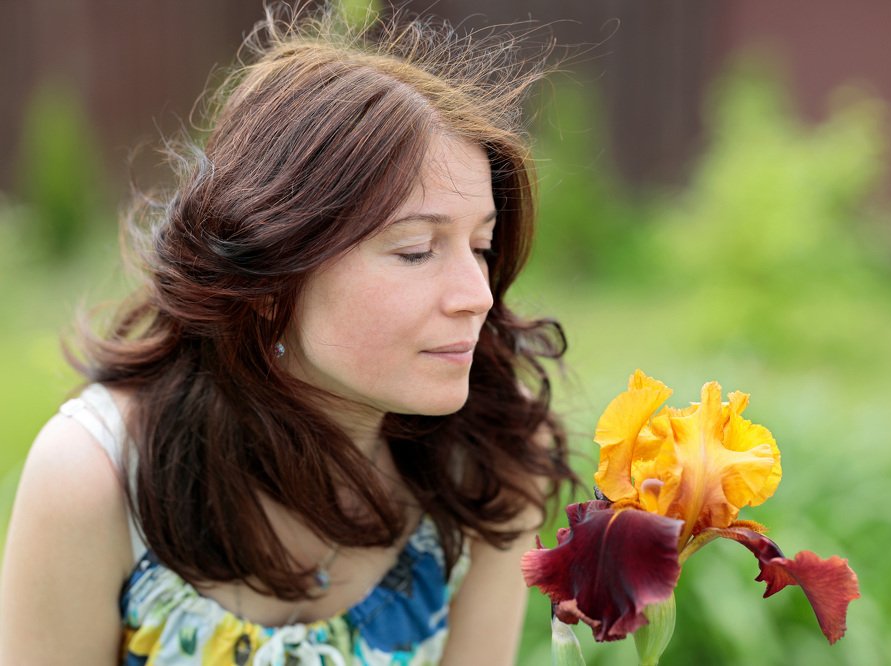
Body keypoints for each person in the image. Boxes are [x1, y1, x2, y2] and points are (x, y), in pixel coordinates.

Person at [0, 5, 575, 664]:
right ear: (272, 278)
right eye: (416, 250)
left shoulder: (482, 464)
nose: (477, 296)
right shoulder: (97, 475)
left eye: (481, 246)